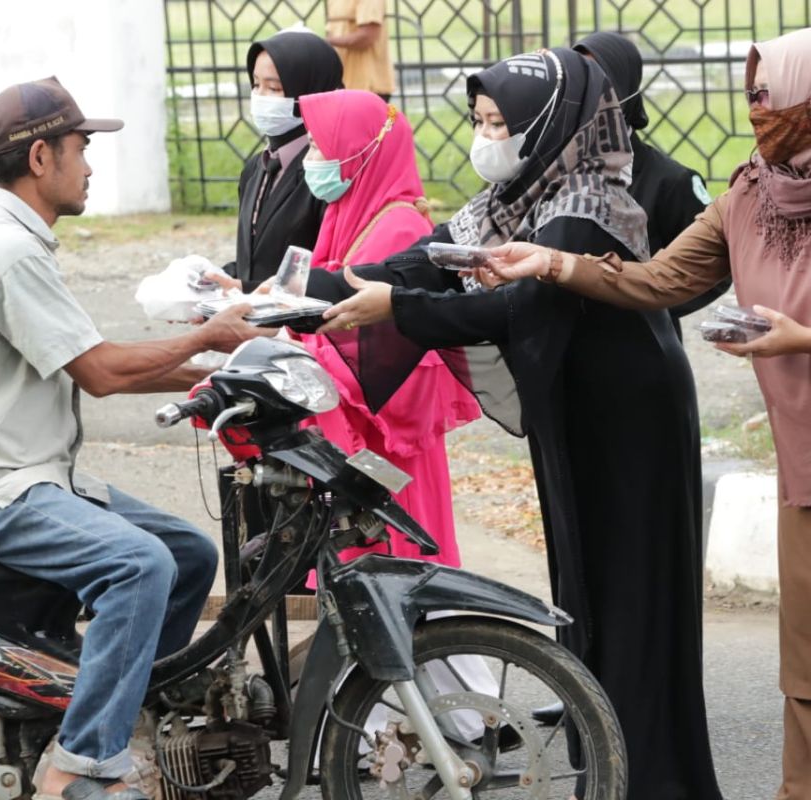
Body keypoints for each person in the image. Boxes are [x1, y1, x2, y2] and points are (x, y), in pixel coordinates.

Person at [305, 48, 723, 799]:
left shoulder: (584, 205)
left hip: (630, 418)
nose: (486, 136)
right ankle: (608, 757)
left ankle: (656, 780)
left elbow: (508, 308)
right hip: (575, 412)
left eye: (500, 123)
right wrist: (300, 287)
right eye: (479, 120)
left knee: (632, 596)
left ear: (547, 125)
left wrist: (394, 311)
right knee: (585, 588)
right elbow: (430, 260)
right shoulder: (516, 197)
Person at [0, 77, 263, 800]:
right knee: (140, 567)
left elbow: (88, 364)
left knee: (189, 555)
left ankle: (116, 717)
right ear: (42, 158)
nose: (91, 165)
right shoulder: (7, 251)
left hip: (31, 472)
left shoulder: (16, 240)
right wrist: (209, 336)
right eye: (82, 148)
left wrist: (224, 372)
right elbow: (100, 371)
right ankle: (77, 765)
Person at [485, 28, 811, 800]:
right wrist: (552, 261)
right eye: (752, 91)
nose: (757, 106)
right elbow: (659, 281)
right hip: (805, 468)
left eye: (772, 91)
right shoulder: (749, 195)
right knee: (804, 665)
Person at [297, 88, 479, 571]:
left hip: (389, 438)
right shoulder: (349, 209)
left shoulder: (398, 226)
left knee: (398, 574)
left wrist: (301, 342)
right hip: (365, 432)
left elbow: (397, 353)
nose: (310, 158)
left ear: (359, 150)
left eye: (320, 147)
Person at [573, 31, 730, 336]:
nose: (586, 95)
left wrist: (650, 306)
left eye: (599, 82)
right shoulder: (556, 171)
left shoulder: (671, 181)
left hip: (642, 352)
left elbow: (715, 269)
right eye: (579, 79)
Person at [222, 29, 342, 292]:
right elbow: (253, 259)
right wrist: (212, 279)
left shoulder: (326, 173)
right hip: (249, 324)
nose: (260, 97)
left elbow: (328, 271)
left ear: (312, 90)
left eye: (274, 88)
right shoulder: (255, 168)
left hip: (298, 325)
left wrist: (244, 288)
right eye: (255, 85)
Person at [325, 0, 395, 101]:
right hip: (343, 84)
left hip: (369, 87)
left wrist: (327, 41)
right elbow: (332, 33)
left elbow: (367, 36)